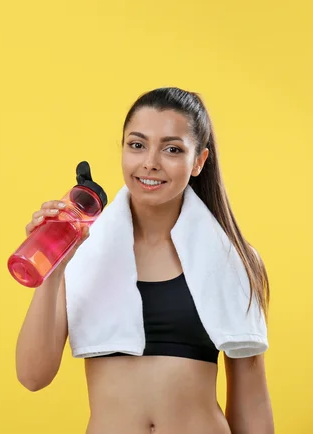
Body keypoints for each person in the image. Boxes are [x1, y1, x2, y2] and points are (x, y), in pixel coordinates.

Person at [15, 87, 274, 434]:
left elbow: (251, 401)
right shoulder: (84, 252)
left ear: (198, 161)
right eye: (137, 145)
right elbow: (33, 376)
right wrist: (54, 262)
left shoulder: (234, 260)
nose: (150, 161)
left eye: (172, 149)